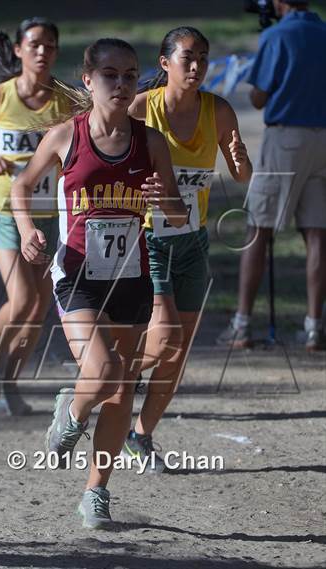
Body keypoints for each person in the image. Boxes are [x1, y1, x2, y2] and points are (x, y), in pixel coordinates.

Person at [11, 38, 188, 528]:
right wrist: (28, 230)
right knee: (105, 369)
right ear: (89, 81)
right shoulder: (68, 136)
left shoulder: (150, 141)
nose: (122, 83)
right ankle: (71, 411)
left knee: (121, 389)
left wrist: (161, 198)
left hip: (130, 277)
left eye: (130, 75)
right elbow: (23, 186)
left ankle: (96, 492)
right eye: (111, 74)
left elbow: (175, 211)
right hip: (77, 273)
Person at [124, 26, 252, 471]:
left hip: (193, 242)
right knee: (165, 340)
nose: (196, 66)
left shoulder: (218, 111)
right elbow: (110, 163)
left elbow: (242, 176)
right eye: (186, 58)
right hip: (148, 239)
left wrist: (239, 159)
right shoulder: (142, 108)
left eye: (203, 57)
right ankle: (104, 381)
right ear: (165, 64)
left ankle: (140, 435)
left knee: (177, 353)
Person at [0, 17, 71, 415]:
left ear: (56, 52)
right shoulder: (1, 96)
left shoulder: (65, 101)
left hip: (48, 214)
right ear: (18, 50)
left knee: (39, 310)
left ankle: (7, 382)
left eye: (49, 46)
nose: (42, 52)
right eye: (34, 45)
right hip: (6, 209)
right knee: (23, 298)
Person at [217, 0, 326, 351]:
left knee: (258, 228)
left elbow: (260, 97)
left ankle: (242, 323)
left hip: (286, 138)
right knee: (316, 230)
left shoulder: (277, 36)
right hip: (323, 138)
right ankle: (314, 325)